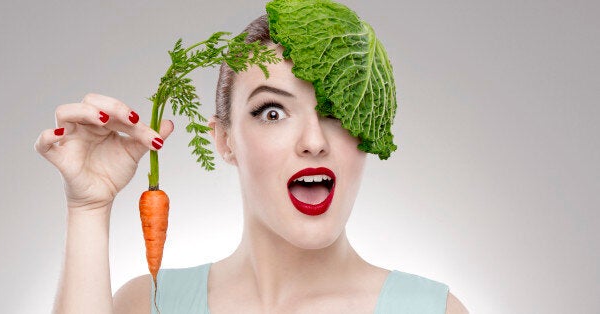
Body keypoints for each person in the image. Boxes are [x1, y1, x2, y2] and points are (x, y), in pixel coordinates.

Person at [35, 14, 468, 314]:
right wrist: (88, 209)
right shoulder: (150, 304)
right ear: (225, 140)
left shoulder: (431, 309)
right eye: (273, 112)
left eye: (336, 111)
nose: (314, 142)